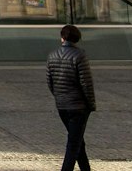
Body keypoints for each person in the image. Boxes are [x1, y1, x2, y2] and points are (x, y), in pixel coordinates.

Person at [45, 23, 95, 171]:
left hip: (62, 105)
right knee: (74, 143)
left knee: (77, 140)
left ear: (62, 38)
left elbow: (50, 81)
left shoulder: (52, 56)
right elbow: (86, 83)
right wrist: (91, 104)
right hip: (78, 106)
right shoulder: (79, 55)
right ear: (77, 38)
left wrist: (59, 96)